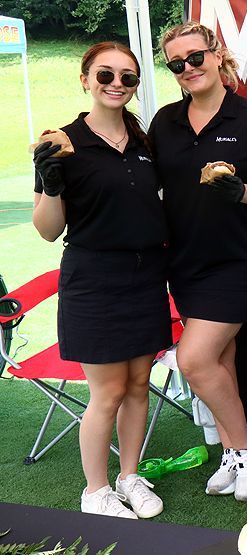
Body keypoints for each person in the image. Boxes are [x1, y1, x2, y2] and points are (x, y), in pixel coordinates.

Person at [149, 21, 247, 502]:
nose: (188, 68)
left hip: (237, 261)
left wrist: (241, 191)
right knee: (219, 359)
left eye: (196, 57)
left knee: (193, 360)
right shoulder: (165, 122)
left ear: (216, 55)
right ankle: (233, 450)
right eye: (177, 64)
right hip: (184, 261)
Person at [32, 42, 169, 519]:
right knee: (107, 393)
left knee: (139, 385)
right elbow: (48, 230)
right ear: (85, 79)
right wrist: (51, 185)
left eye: (128, 77)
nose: (116, 84)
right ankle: (96, 491)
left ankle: (130, 476)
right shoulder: (60, 143)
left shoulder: (145, 142)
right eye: (105, 74)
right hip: (94, 280)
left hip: (146, 276)